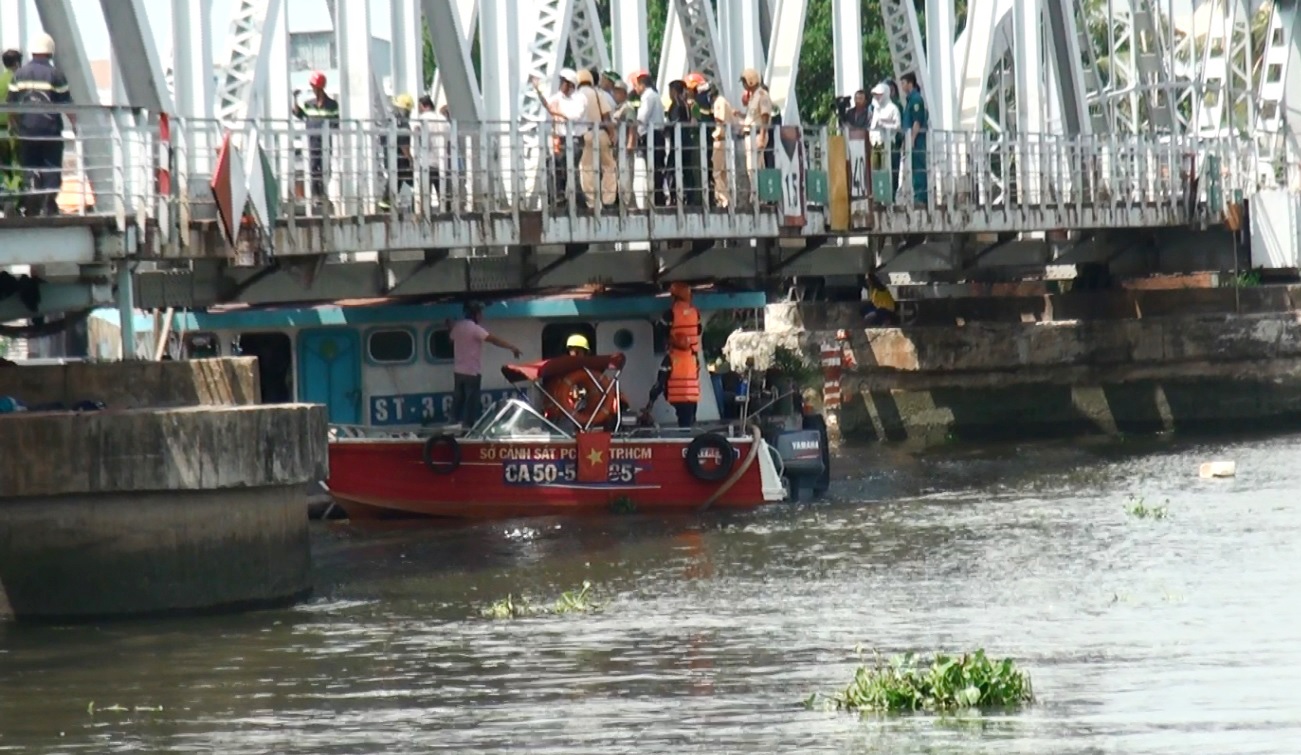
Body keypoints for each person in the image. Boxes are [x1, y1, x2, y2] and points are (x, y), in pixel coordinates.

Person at [8, 34, 72, 217]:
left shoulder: (19, 75)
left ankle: (31, 199)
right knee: (51, 167)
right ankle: (48, 203)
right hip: (50, 131)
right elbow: (67, 105)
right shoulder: (56, 75)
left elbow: (11, 104)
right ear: (50, 52)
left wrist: (14, 125)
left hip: (26, 131)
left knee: (29, 165)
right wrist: (75, 125)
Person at [448, 301, 523, 426]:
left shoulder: (458, 327)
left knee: (458, 401)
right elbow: (493, 340)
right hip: (472, 372)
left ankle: (452, 424)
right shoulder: (475, 329)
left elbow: (451, 339)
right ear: (475, 314)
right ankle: (467, 428)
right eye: (480, 313)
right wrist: (511, 347)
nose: (482, 316)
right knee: (470, 404)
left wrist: (449, 326)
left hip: (458, 372)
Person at [644, 282, 701, 428]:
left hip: (676, 396)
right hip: (692, 396)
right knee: (689, 423)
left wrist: (650, 403)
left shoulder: (670, 359)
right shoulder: (695, 313)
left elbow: (660, 382)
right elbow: (699, 330)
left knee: (684, 425)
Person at [291, 71, 339, 207]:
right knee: (313, 168)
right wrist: (294, 99)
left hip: (325, 142)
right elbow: (298, 113)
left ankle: (322, 194)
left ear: (319, 87)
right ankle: (316, 196)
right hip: (311, 141)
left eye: (314, 86)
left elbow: (337, 122)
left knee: (325, 168)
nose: (313, 89)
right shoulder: (309, 104)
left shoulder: (332, 105)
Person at [576, 69, 617, 208]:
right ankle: (608, 199)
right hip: (601, 133)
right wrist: (612, 134)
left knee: (586, 167)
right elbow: (606, 116)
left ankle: (592, 201)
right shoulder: (597, 93)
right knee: (608, 166)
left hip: (586, 134)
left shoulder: (576, 96)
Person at [633, 72, 667, 208]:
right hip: (659, 135)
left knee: (652, 168)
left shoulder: (647, 97)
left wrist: (635, 129)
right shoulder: (656, 96)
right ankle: (659, 198)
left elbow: (642, 117)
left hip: (650, 135)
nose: (635, 89)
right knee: (658, 167)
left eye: (637, 86)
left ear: (642, 85)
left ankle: (655, 199)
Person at [378, 93, 415, 211]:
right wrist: (410, 159)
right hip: (400, 160)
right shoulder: (403, 124)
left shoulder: (388, 122)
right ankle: (418, 205)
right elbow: (404, 145)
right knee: (416, 180)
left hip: (388, 158)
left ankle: (386, 204)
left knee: (395, 180)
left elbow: (382, 139)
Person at [414, 95, 449, 212]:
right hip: (442, 161)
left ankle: (425, 213)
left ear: (424, 106)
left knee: (425, 192)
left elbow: (416, 134)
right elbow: (449, 139)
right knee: (443, 192)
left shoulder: (422, 119)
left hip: (427, 161)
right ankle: (445, 212)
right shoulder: (443, 119)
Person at [868, 82, 902, 200]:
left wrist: (885, 125)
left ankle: (890, 196)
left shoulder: (893, 108)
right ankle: (879, 195)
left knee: (890, 171)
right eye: (876, 95)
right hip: (876, 145)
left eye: (879, 94)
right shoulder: (876, 109)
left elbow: (898, 126)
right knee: (878, 170)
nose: (877, 97)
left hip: (889, 144)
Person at [900, 72, 929, 206]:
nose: (902, 86)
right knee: (914, 167)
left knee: (918, 168)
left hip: (917, 141)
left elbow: (917, 122)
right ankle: (917, 195)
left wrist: (912, 139)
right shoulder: (910, 100)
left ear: (910, 83)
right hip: (912, 139)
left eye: (904, 83)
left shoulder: (916, 99)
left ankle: (921, 197)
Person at [0, 49, 21, 200]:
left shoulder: (1, 80)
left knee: (3, 166)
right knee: (17, 165)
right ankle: (15, 198)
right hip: (13, 129)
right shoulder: (17, 80)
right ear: (17, 63)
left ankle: (5, 193)